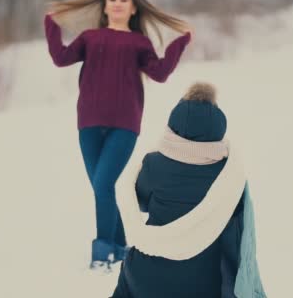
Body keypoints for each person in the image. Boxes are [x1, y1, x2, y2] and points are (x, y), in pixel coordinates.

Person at [44, 0, 193, 272]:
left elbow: (160, 73)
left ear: (133, 7)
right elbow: (61, 58)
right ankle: (122, 248)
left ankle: (102, 253)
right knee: (104, 188)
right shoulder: (89, 37)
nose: (117, 3)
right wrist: (50, 24)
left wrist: (180, 42)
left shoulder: (139, 43)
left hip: (125, 123)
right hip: (88, 121)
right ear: (104, 6)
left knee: (102, 185)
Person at [113, 83, 267, 297]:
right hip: (203, 283)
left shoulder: (153, 163)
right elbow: (235, 228)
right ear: (218, 127)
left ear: (173, 124)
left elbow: (142, 202)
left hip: (146, 279)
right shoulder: (228, 174)